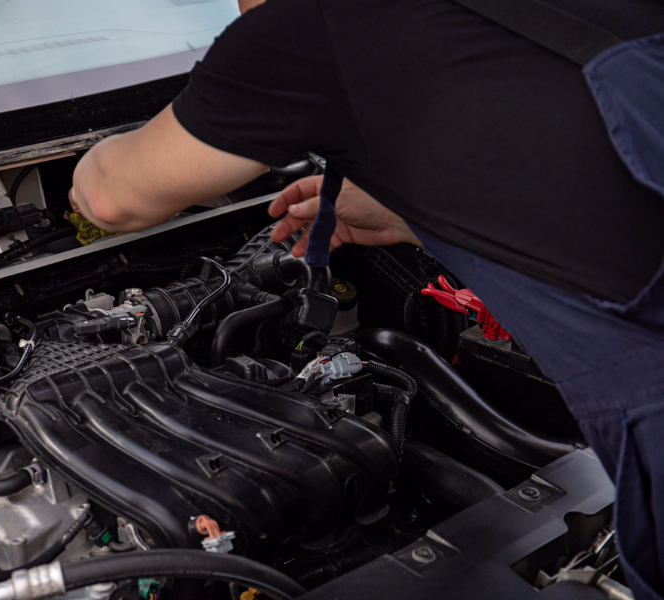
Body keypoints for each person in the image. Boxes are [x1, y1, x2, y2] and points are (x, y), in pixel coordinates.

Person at [69, 0, 664, 597]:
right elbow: (551, 143)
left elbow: (111, 199)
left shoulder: (316, 24)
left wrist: (83, 163)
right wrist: (410, 217)